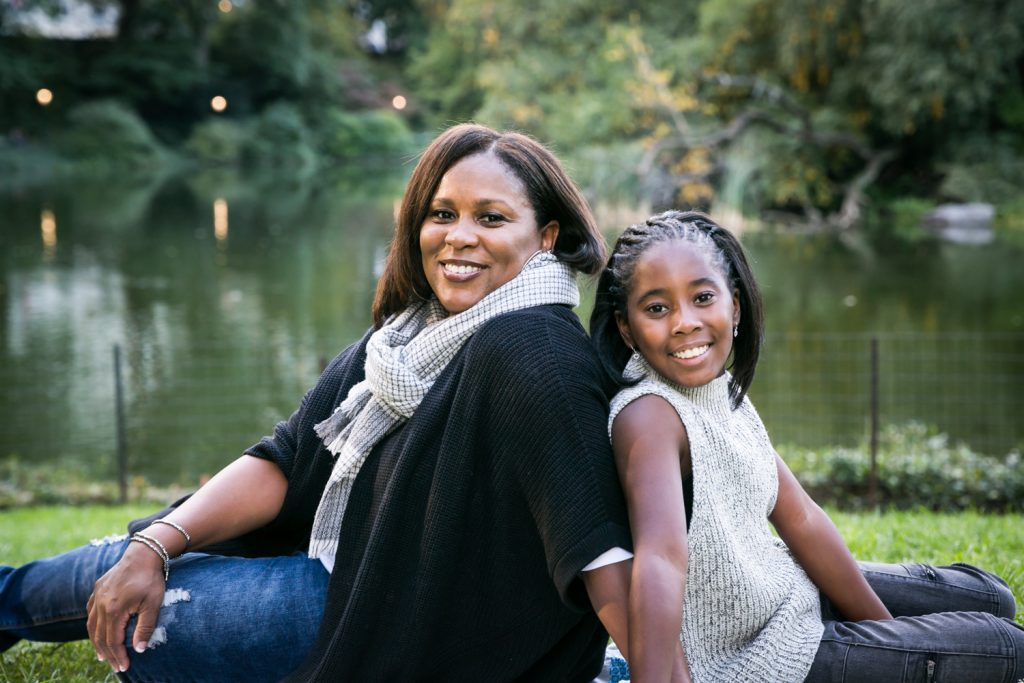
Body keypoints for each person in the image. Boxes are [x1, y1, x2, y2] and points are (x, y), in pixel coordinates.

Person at [0, 123, 636, 682]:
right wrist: (158, 543)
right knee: (127, 559)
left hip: (383, 620)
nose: (457, 237)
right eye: (441, 214)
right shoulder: (405, 338)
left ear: (546, 236)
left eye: (490, 218)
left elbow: (594, 543)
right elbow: (285, 460)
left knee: (151, 628)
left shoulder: (536, 348)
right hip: (329, 564)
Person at [588, 210, 1024, 683]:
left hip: (786, 592)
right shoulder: (649, 414)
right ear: (626, 327)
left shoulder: (715, 387)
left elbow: (803, 518)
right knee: (1008, 646)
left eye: (702, 297)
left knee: (992, 595)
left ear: (734, 307)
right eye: (657, 309)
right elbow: (660, 561)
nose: (684, 323)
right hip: (762, 655)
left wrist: (885, 632)